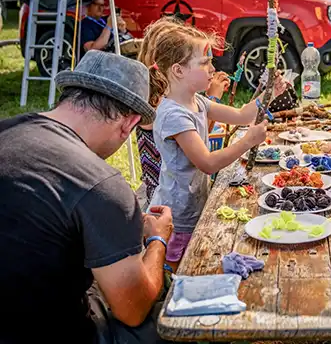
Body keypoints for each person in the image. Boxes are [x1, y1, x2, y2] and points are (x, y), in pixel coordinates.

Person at [0, 50, 173, 343]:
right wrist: (157, 239)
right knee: (167, 312)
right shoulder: (99, 182)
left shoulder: (7, 130)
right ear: (129, 124)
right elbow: (133, 308)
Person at [148, 22, 290, 271]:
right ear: (179, 70)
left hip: (192, 206)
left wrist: (270, 93)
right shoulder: (173, 115)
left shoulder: (197, 102)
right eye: (205, 63)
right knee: (182, 270)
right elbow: (207, 162)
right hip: (176, 217)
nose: (213, 69)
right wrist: (247, 142)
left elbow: (242, 115)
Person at [135, 17, 231, 203]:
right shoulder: (158, 102)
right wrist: (212, 98)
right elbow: (197, 145)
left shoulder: (170, 96)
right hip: (166, 200)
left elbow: (196, 135)